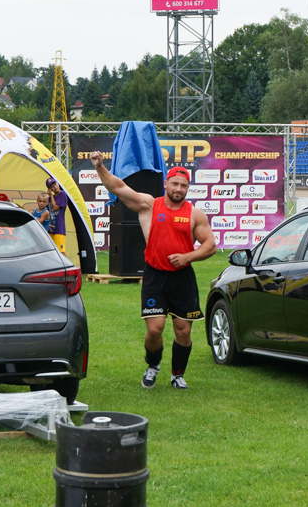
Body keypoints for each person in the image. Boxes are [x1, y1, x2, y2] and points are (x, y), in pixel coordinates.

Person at [90, 151, 216, 390]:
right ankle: (153, 365)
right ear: (166, 183)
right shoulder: (149, 205)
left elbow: (210, 245)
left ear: (188, 188)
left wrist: (188, 256)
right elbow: (118, 187)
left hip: (182, 278)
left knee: (183, 331)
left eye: (184, 185)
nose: (179, 189)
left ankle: (177, 375)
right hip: (155, 275)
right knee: (155, 329)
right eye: (175, 183)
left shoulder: (195, 214)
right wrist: (99, 167)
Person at [46, 177, 67, 253]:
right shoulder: (50, 199)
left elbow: (55, 208)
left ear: (58, 183)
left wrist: (51, 195)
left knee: (61, 252)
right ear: (50, 189)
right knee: (52, 252)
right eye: (52, 186)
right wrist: (47, 224)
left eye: (55, 184)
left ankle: (69, 265)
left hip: (59, 228)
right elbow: (47, 213)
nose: (55, 187)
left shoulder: (62, 194)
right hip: (51, 229)